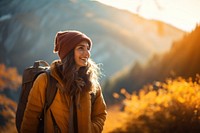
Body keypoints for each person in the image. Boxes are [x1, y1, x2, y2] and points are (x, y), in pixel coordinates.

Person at [21, 30, 107, 133]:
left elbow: (100, 114)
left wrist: (90, 129)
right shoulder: (45, 81)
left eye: (88, 49)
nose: (87, 53)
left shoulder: (92, 84)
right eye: (81, 48)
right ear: (69, 52)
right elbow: (30, 119)